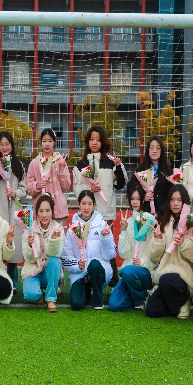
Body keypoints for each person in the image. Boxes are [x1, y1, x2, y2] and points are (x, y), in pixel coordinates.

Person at [73, 126, 127, 286]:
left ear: (103, 142)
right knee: (88, 246)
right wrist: (89, 188)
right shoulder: (81, 164)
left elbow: (120, 184)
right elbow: (76, 188)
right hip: (87, 213)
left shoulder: (110, 162)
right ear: (87, 142)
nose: (94, 142)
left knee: (107, 245)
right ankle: (88, 280)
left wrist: (119, 166)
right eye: (92, 139)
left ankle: (114, 282)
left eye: (98, 139)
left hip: (105, 212)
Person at [146, 185, 193, 319]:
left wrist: (185, 244)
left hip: (185, 276)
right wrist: (158, 240)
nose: (175, 203)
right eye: (172, 200)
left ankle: (185, 299)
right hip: (164, 274)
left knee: (167, 280)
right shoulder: (163, 223)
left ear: (185, 202)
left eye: (179, 200)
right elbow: (154, 258)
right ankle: (177, 302)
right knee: (152, 311)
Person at [62, 190, 116, 311]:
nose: (86, 207)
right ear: (78, 204)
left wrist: (106, 238)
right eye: (83, 203)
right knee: (76, 304)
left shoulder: (102, 225)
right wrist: (77, 265)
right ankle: (86, 291)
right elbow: (66, 257)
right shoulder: (72, 229)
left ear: (94, 205)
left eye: (90, 204)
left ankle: (98, 300)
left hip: (99, 272)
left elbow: (111, 254)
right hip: (80, 274)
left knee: (94, 264)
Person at [0, 131, 27, 292]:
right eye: (1, 144)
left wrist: (15, 193)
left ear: (12, 145)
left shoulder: (18, 165)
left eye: (7, 144)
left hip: (14, 210)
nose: (4, 147)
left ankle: (13, 282)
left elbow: (24, 189)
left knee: (13, 245)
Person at [109, 184, 155, 312]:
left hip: (145, 270)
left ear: (143, 200)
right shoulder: (128, 222)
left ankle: (141, 299)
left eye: (138, 199)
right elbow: (123, 254)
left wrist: (143, 262)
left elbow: (155, 252)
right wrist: (123, 231)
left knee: (128, 271)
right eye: (132, 199)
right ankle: (137, 295)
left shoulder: (150, 220)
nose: (135, 202)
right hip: (128, 271)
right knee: (114, 305)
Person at [21, 194, 64, 312]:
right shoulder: (28, 229)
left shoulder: (58, 228)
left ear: (52, 211)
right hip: (33, 271)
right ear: (36, 213)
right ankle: (39, 293)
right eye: (41, 211)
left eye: (47, 211)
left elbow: (56, 254)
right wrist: (30, 245)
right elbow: (28, 259)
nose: (44, 215)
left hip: (49, 273)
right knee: (31, 295)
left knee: (55, 261)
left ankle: (50, 299)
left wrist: (54, 240)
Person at [26, 128, 71, 226]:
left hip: (59, 209)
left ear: (54, 142)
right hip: (41, 211)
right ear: (41, 143)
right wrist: (37, 186)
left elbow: (66, 186)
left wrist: (61, 171)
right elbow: (28, 187)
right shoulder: (34, 163)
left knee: (59, 235)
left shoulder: (60, 161)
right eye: (44, 141)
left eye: (50, 141)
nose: (47, 144)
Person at [127, 136, 173, 219]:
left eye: (158, 148)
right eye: (151, 148)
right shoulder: (140, 170)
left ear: (161, 151)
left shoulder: (168, 172)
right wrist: (142, 196)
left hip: (163, 216)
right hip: (143, 215)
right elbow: (131, 186)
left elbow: (170, 196)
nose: (154, 151)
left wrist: (159, 213)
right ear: (147, 150)